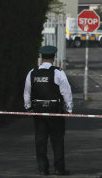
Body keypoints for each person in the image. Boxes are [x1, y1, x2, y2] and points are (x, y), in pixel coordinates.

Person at [23, 45, 73, 176]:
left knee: (40, 140)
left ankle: (42, 169)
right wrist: (69, 109)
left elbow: (27, 93)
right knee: (57, 141)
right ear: (54, 57)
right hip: (55, 110)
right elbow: (66, 92)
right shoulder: (58, 72)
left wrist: (28, 107)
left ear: (41, 57)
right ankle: (59, 169)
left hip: (38, 111)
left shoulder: (32, 72)